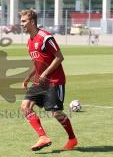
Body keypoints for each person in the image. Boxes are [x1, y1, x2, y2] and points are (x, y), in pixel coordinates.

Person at [20, 9, 77, 151]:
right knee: (25, 106)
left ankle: (72, 138)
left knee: (56, 113)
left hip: (55, 81)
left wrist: (45, 73)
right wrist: (29, 77)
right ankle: (43, 137)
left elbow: (59, 57)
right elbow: (38, 63)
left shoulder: (45, 37)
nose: (21, 24)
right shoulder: (29, 42)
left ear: (32, 22)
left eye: (24, 21)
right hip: (40, 82)